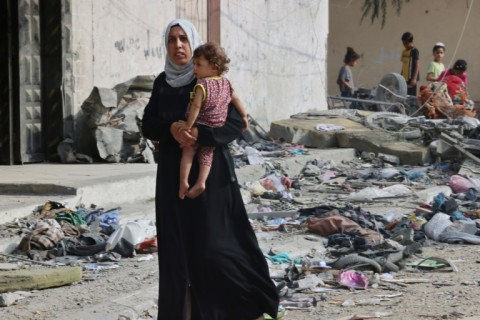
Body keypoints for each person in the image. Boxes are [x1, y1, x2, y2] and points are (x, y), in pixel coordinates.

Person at [141, 19, 281, 320]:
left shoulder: (209, 79)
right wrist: (172, 129)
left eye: (183, 40)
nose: (178, 46)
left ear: (194, 45)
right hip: (172, 176)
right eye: (171, 40)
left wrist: (199, 135)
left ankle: (242, 309)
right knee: (177, 251)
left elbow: (233, 124)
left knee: (215, 246)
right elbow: (148, 123)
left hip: (211, 175)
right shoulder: (162, 83)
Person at [177, 42, 249, 199]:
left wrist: (188, 126)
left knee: (188, 150)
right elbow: (235, 99)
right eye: (194, 64)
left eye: (198, 64)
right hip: (217, 125)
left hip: (201, 123)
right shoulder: (226, 82)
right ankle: (201, 182)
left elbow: (196, 107)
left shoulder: (202, 85)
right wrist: (244, 116)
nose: (194, 68)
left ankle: (183, 181)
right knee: (207, 153)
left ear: (214, 67)